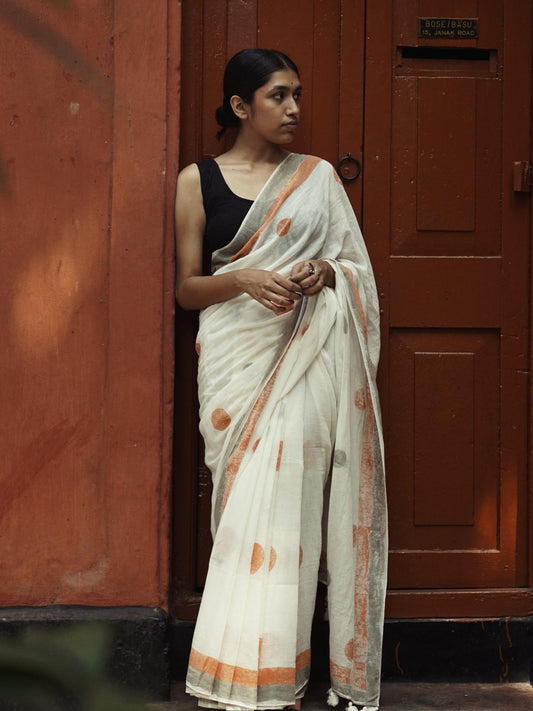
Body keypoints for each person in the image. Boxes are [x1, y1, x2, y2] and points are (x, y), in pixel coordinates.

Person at [175, 49, 387, 711]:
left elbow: (349, 267)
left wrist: (324, 275)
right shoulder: (196, 181)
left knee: (290, 517)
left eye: (296, 94)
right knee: (244, 515)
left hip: (304, 361)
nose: (294, 109)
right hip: (235, 365)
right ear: (240, 106)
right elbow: (186, 289)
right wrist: (240, 278)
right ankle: (239, 667)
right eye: (277, 96)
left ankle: (278, 674)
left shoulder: (319, 178)